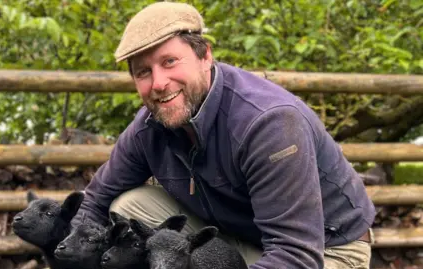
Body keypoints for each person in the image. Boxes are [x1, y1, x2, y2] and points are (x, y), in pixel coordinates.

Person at [71, 2, 376, 268]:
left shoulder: (269, 124)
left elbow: (296, 256)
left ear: (205, 57)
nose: (159, 83)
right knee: (127, 206)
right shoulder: (148, 127)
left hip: (324, 249)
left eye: (169, 62)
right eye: (143, 72)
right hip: (235, 232)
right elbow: (95, 203)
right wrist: (66, 254)